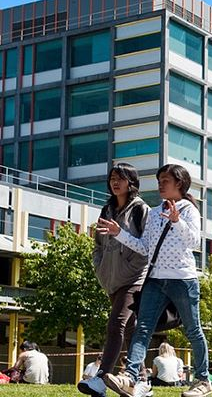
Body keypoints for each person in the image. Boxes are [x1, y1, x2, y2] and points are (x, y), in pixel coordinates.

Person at [98, 164, 211, 397]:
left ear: (179, 183)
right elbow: (144, 247)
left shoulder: (188, 209)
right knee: (142, 329)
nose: (160, 184)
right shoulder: (154, 211)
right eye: (159, 180)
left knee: (193, 330)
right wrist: (119, 233)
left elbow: (195, 243)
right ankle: (130, 377)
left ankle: (202, 380)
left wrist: (177, 220)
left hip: (182, 279)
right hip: (155, 279)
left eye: (165, 180)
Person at [78, 163, 149, 397]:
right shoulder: (106, 209)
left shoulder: (140, 210)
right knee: (129, 329)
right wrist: (100, 267)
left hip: (133, 279)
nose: (115, 182)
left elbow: (146, 248)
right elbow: (98, 245)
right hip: (111, 279)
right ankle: (142, 381)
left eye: (120, 178)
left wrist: (130, 269)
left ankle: (100, 379)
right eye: (112, 179)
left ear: (132, 182)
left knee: (116, 324)